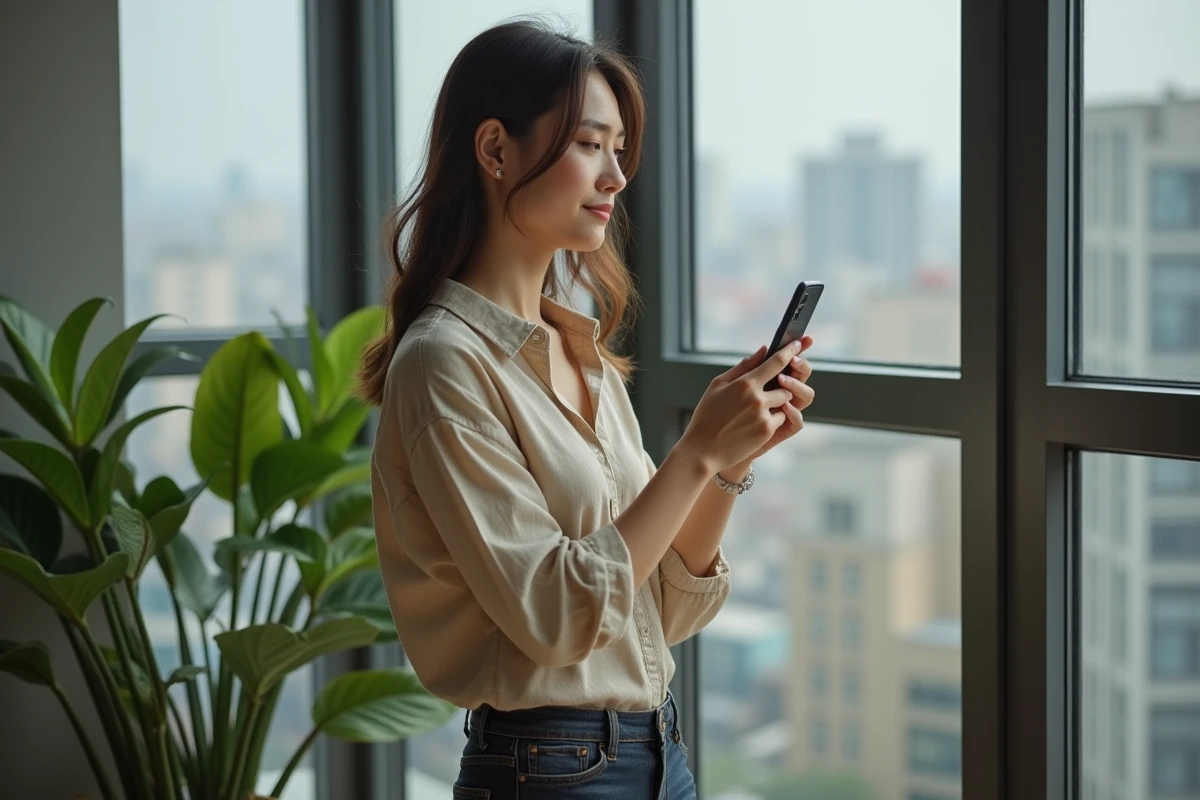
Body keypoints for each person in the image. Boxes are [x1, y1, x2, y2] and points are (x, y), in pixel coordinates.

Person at [355, 16, 815, 799]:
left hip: (658, 755)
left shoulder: (581, 352)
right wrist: (694, 454)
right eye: (589, 145)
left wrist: (726, 465)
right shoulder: (444, 365)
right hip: (547, 772)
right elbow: (558, 617)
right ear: (497, 150)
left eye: (619, 151)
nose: (617, 177)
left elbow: (657, 608)